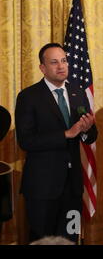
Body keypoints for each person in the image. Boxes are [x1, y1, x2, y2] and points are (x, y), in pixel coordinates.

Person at [15, 43, 97, 243]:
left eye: (64, 61)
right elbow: (26, 141)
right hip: (43, 187)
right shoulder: (29, 96)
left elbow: (91, 136)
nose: (61, 66)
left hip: (73, 187)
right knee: (43, 240)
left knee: (70, 237)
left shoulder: (78, 92)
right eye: (54, 62)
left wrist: (87, 130)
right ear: (42, 68)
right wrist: (66, 134)